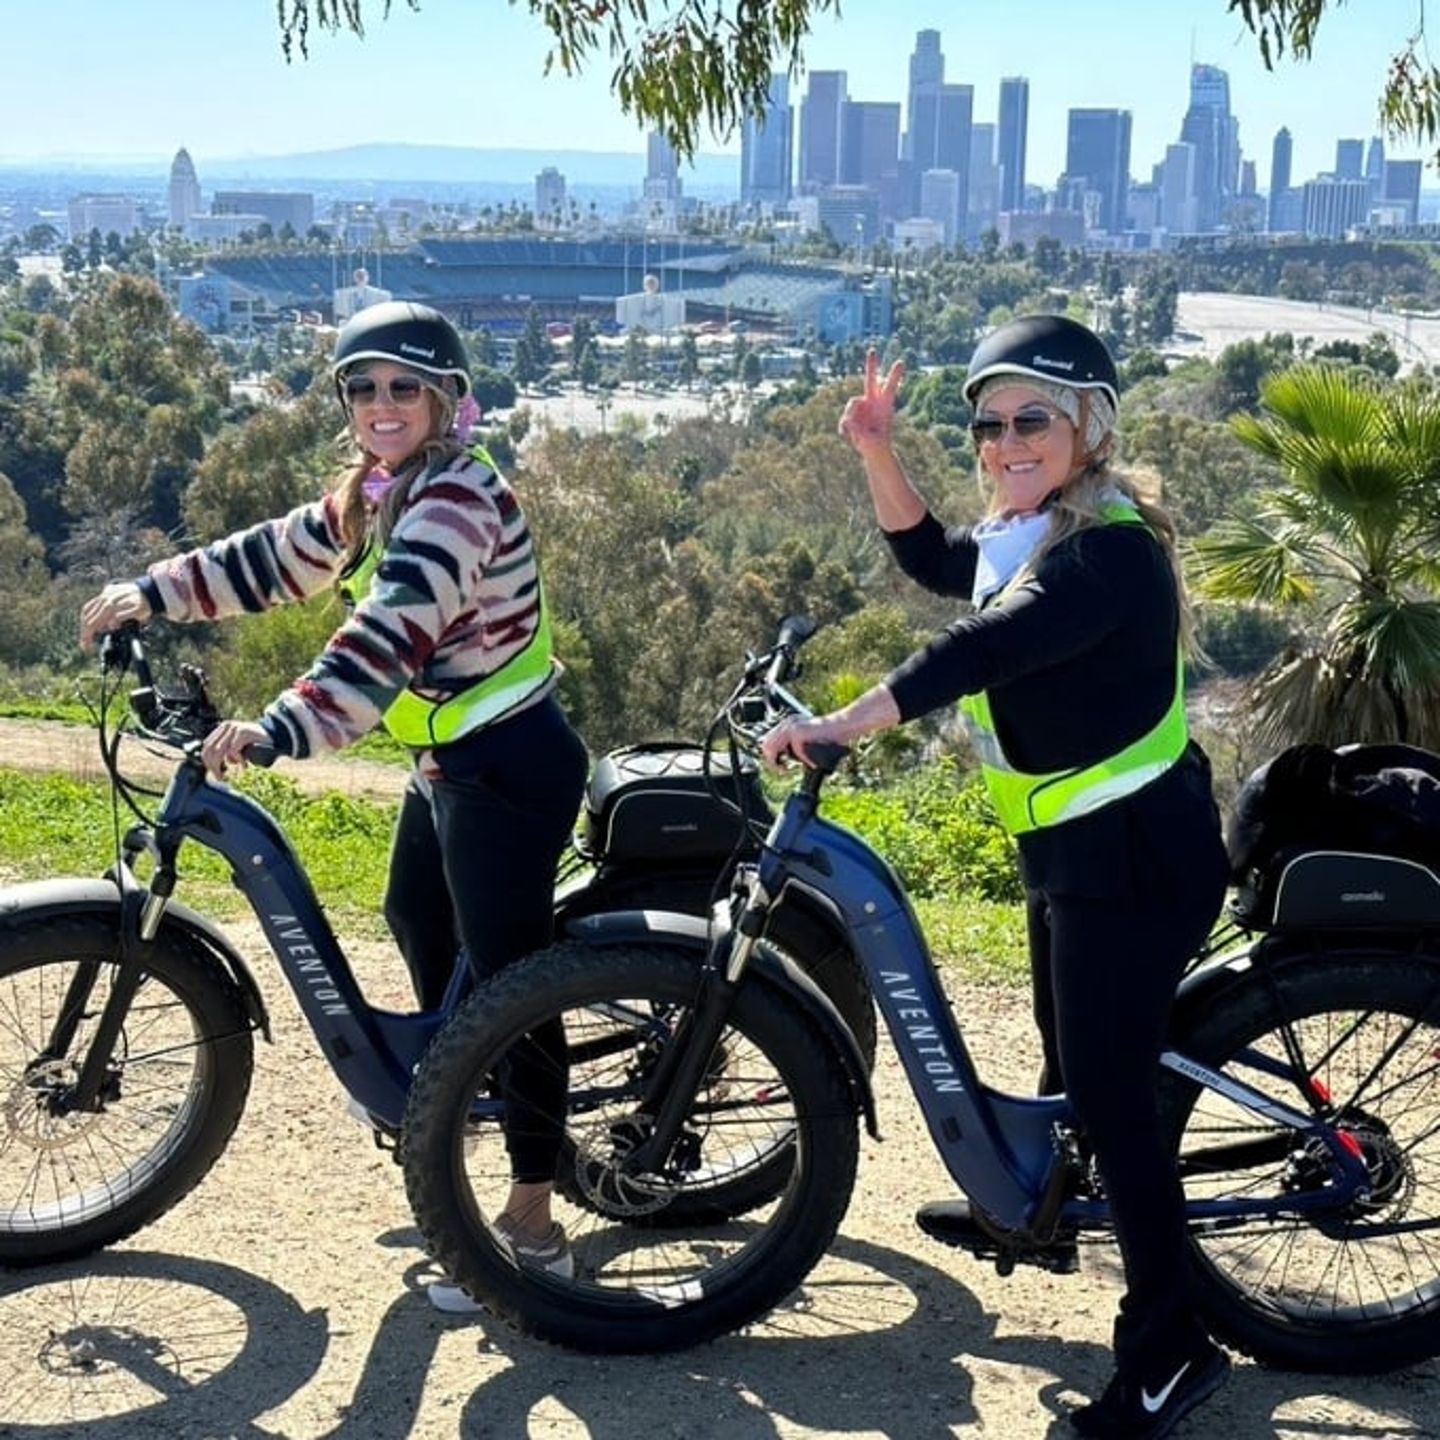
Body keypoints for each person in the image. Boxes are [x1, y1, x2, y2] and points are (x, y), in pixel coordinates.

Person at [761, 315, 1231, 1439]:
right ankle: (1047, 1209)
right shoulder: (1036, 528)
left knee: (1118, 1104)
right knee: (1076, 1061)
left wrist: (847, 722)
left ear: (1090, 429)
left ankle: (1172, 1353)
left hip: (1135, 863)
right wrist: (877, 447)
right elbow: (935, 564)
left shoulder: (1103, 551)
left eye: (1033, 419)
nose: (1005, 440)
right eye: (988, 423)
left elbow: (979, 650)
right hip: (1080, 854)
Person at [79, 300, 588, 1313]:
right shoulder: (385, 487)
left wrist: (279, 726)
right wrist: (158, 589)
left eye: (404, 387)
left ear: (446, 399)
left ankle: (532, 1216)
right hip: (453, 760)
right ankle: (456, 1093)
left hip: (511, 766)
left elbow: (385, 631)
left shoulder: (452, 504)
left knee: (508, 987)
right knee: (414, 916)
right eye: (363, 388)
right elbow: (285, 554)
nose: (382, 404)